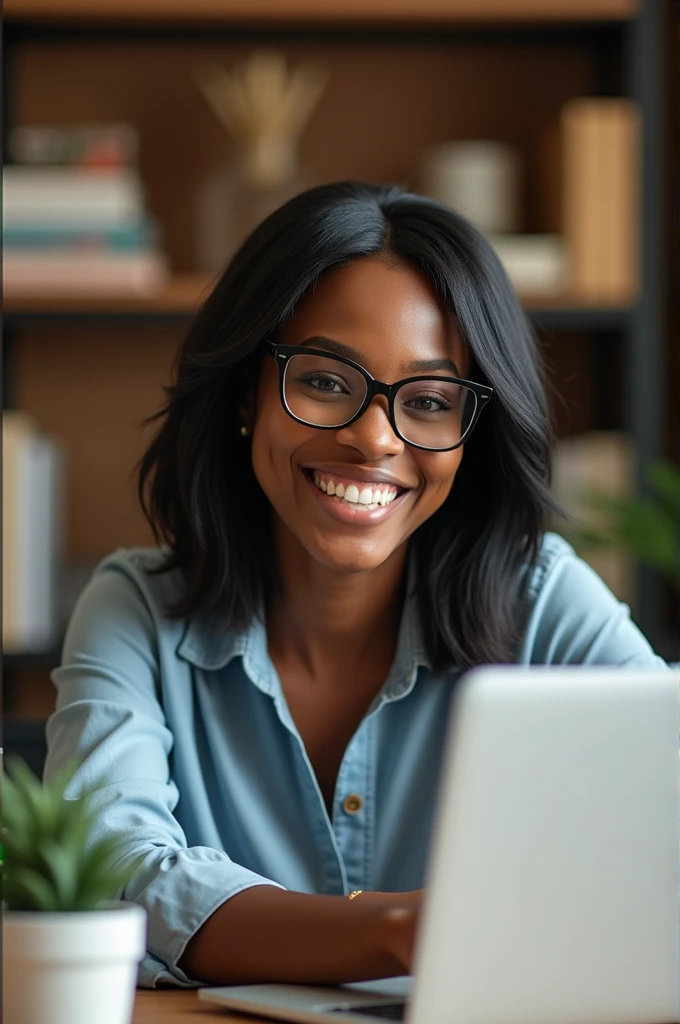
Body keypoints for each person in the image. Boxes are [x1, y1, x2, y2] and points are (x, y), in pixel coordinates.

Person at [44, 182, 667, 988]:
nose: (374, 439)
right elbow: (110, 873)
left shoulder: (544, 601)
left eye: (431, 400)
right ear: (247, 392)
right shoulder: (134, 612)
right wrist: (409, 932)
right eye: (326, 381)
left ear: (471, 435)